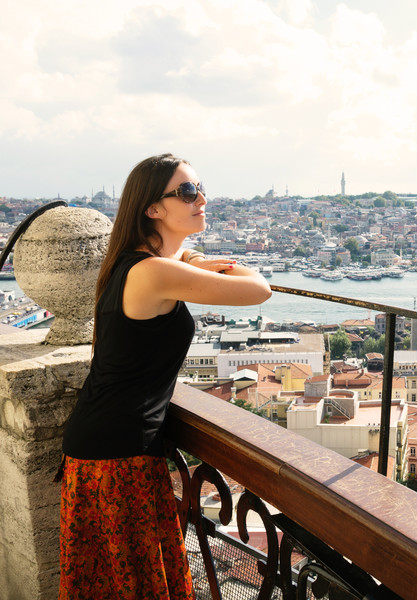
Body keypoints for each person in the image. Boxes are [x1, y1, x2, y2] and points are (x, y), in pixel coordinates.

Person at [58, 153, 272, 599]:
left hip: (103, 443)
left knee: (109, 580)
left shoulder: (132, 263)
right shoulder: (154, 272)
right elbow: (259, 290)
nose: (202, 200)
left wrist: (187, 257)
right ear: (153, 209)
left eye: (200, 188)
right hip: (120, 453)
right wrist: (201, 259)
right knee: (138, 581)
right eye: (188, 192)